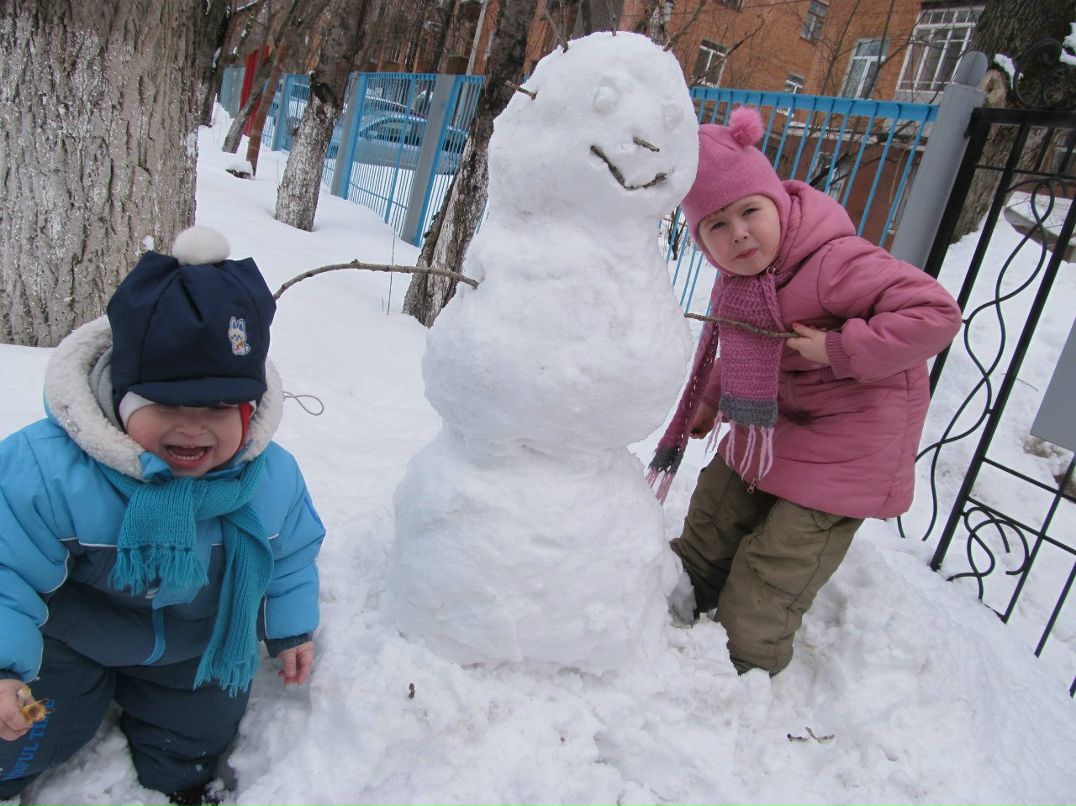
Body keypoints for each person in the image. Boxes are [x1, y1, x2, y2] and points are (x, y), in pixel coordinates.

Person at [0, 228, 325, 805]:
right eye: (167, 405)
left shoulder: (268, 479)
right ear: (120, 398)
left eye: (220, 408)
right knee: (30, 727)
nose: (193, 426)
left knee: (196, 734)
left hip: (194, 644)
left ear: (249, 412)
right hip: (72, 639)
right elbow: (5, 569)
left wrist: (290, 626)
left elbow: (290, 553)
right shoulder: (49, 471)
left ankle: (179, 783)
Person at [648, 107, 962, 676]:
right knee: (715, 510)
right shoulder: (741, 284)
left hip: (853, 440)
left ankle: (744, 666)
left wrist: (839, 348)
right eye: (716, 225)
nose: (738, 233)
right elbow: (747, 347)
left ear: (779, 204)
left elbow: (936, 313)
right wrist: (713, 400)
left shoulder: (835, 262)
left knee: (775, 566)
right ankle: (676, 602)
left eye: (749, 211)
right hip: (777, 424)